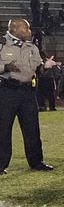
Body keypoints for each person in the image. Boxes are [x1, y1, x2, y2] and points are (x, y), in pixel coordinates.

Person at [0, 19, 54, 175]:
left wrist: (45, 67)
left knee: (32, 128)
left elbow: (37, 69)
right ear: (15, 29)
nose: (30, 31)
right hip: (7, 91)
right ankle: (1, 164)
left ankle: (36, 162)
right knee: (3, 129)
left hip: (28, 92)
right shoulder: (2, 44)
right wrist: (6, 67)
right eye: (26, 28)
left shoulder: (32, 47)